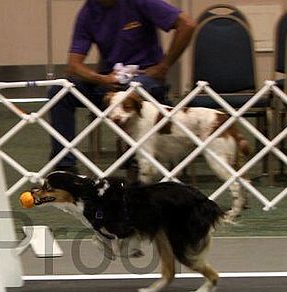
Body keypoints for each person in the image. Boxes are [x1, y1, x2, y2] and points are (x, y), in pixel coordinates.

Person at [48, 0, 196, 172]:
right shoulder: (88, 12)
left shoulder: (142, 2)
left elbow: (187, 24)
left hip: (145, 80)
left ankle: (137, 156)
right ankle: (64, 164)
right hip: (108, 85)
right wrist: (102, 79)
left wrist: (164, 65)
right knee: (60, 92)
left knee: (136, 89)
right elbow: (73, 66)